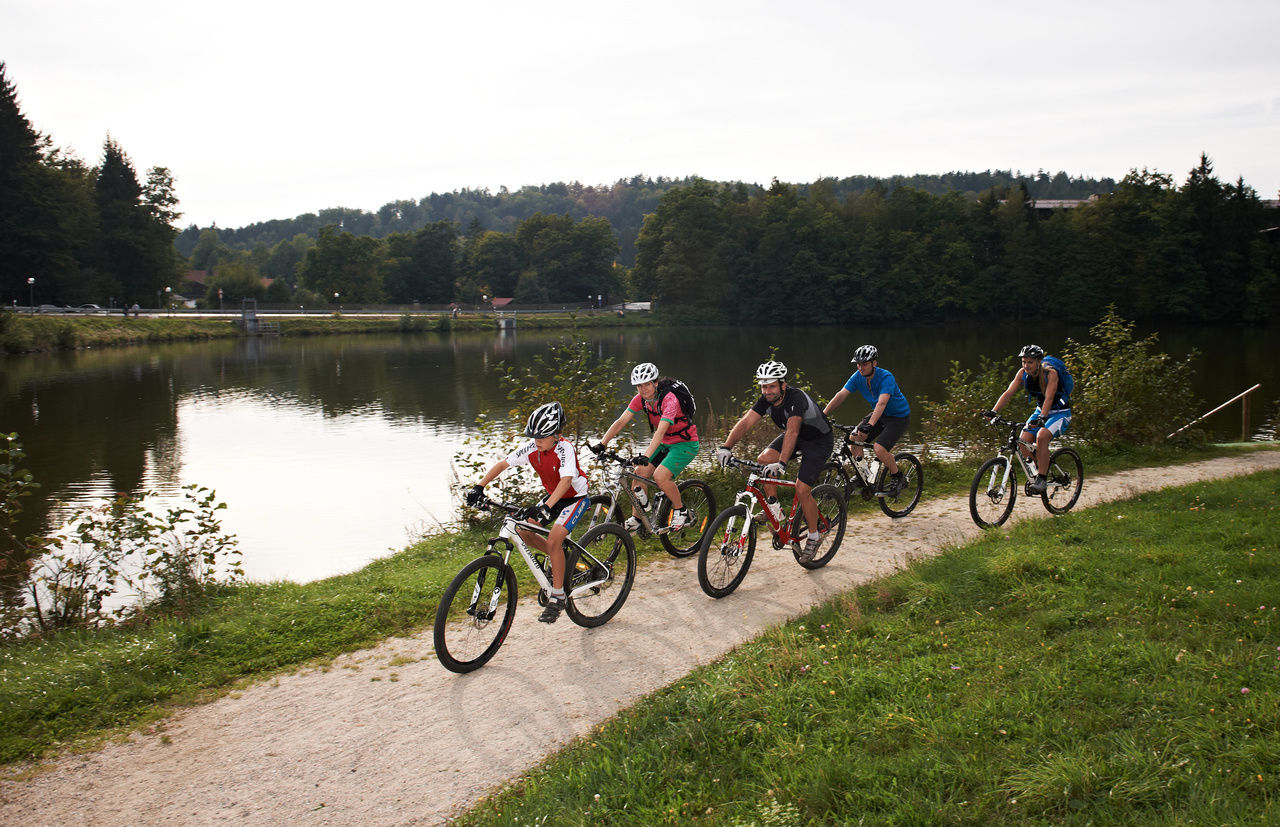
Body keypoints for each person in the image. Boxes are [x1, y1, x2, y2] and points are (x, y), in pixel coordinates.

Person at [464, 401, 589, 623]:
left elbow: (566, 480)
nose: (537, 440)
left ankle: (558, 597)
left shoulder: (565, 448)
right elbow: (503, 464)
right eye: (534, 436)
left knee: (554, 538)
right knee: (523, 531)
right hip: (552, 498)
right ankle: (559, 557)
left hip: (574, 498)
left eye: (543, 436)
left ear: (556, 434)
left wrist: (546, 507)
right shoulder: (532, 448)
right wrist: (479, 487)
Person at [715, 360, 834, 562]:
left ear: (783, 385)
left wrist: (782, 463)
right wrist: (726, 447)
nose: (767, 391)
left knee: (802, 488)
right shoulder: (766, 400)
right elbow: (745, 423)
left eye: (771, 386)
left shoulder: (796, 398)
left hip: (818, 441)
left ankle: (815, 536)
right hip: (796, 438)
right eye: (763, 386)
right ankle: (774, 507)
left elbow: (793, 430)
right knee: (763, 459)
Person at [592, 363, 700, 533]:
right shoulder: (640, 400)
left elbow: (661, 430)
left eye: (647, 384)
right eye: (639, 386)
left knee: (660, 477)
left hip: (685, 444)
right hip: (665, 443)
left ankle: (681, 510)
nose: (643, 389)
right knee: (639, 472)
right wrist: (602, 443)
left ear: (655, 383)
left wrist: (647, 456)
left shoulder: (669, 399)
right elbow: (621, 420)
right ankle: (637, 519)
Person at [823, 344, 911, 496]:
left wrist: (870, 425)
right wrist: (823, 414)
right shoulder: (858, 377)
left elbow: (882, 403)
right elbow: (841, 394)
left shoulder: (886, 377)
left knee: (879, 448)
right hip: (880, 415)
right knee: (854, 438)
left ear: (874, 363)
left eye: (864, 364)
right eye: (858, 364)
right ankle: (862, 475)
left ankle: (898, 476)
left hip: (898, 417)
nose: (860, 367)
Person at [985, 344, 1073, 495]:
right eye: (1024, 362)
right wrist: (993, 411)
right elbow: (1008, 393)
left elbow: (1049, 398)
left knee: (1042, 436)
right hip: (1040, 411)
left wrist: (1042, 418)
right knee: (1022, 443)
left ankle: (1042, 479)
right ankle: (1040, 467)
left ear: (1039, 362)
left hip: (1059, 412)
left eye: (1030, 362)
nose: (1026, 365)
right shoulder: (1022, 373)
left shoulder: (1051, 374)